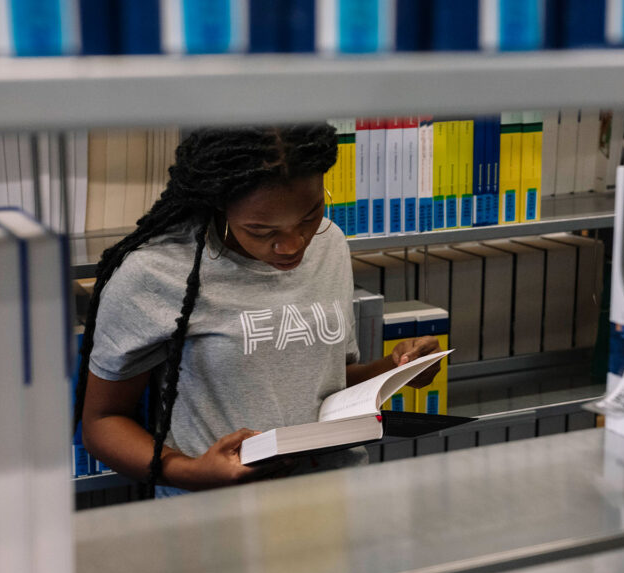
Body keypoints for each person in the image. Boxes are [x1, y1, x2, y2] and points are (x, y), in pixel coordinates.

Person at [75, 124, 441, 497]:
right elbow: (104, 422)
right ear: (220, 201)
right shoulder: (157, 271)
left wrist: (397, 370)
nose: (292, 245)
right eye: (262, 230)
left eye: (309, 216)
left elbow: (324, 381)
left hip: (333, 498)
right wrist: (190, 472)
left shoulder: (329, 243)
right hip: (216, 514)